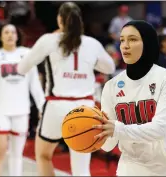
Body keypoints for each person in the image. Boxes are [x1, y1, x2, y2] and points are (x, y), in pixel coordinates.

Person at [17, 2, 115, 176]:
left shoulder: (49, 40)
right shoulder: (91, 43)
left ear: (60, 19)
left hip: (56, 107)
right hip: (85, 108)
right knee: (81, 169)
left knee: (44, 155)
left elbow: (21, 68)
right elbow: (110, 68)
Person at [92, 20, 166, 176]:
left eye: (132, 39)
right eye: (122, 40)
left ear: (148, 43)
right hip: (131, 169)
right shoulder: (111, 86)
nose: (125, 45)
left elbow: (160, 129)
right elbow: (108, 145)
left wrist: (117, 129)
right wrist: (93, 134)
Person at [0, 24, 45, 176]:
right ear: (0, 37)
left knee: (17, 155)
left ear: (17, 35)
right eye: (6, 32)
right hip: (0, 111)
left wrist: (42, 107)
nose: (10, 35)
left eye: (13, 32)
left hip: (21, 111)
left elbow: (34, 84)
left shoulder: (27, 54)